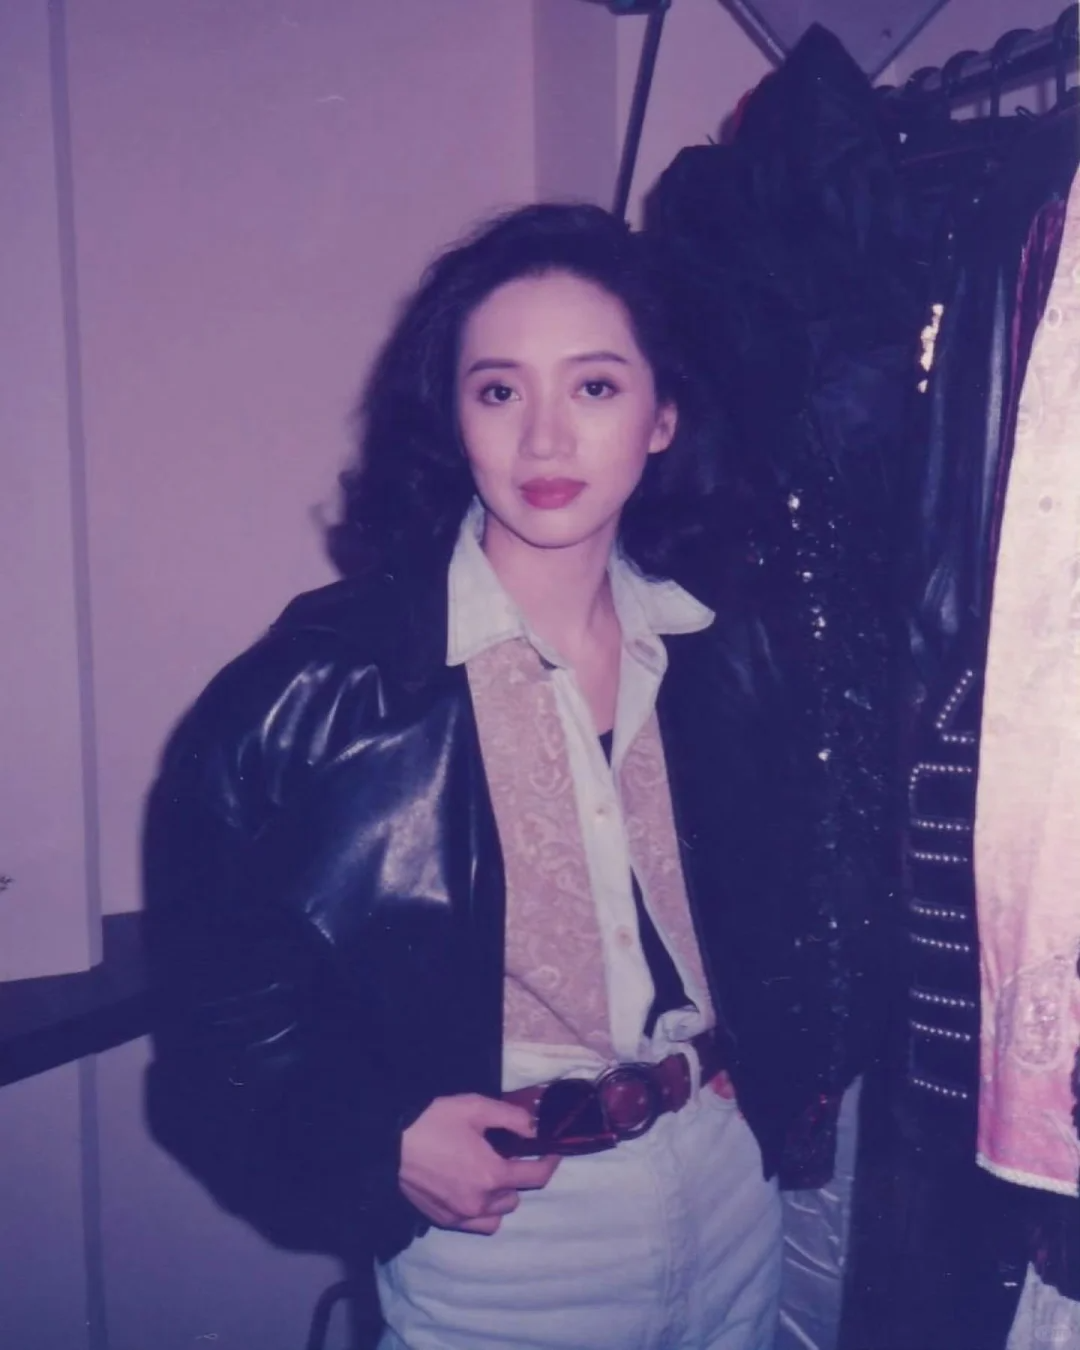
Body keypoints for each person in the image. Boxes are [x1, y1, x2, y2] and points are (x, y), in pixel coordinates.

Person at [143, 203, 855, 1350]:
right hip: (504, 1234)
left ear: (663, 416)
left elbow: (819, 877)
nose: (545, 439)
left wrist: (782, 1044)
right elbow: (211, 1018)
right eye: (499, 390)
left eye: (595, 386)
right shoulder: (316, 688)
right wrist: (373, 1137)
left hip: (734, 1190)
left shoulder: (730, 647)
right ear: (451, 416)